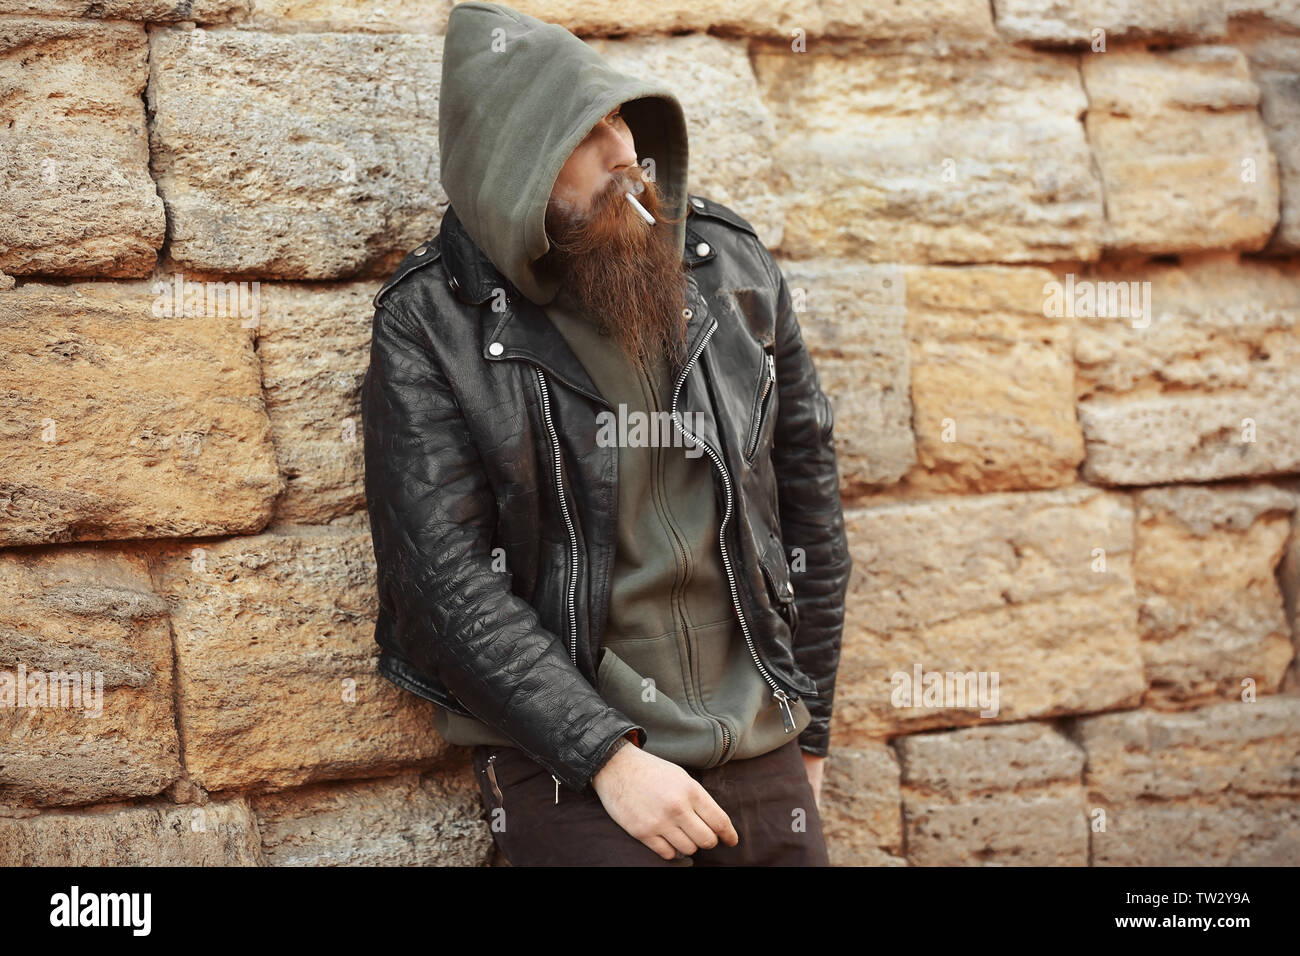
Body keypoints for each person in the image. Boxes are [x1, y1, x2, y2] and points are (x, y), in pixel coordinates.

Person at [360, 1, 851, 866]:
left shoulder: (728, 263)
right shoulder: (434, 321)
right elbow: (441, 582)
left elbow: (808, 496)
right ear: (513, 168)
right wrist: (606, 758)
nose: (624, 151)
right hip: (574, 767)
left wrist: (808, 728)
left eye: (620, 118)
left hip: (761, 736)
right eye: (585, 134)